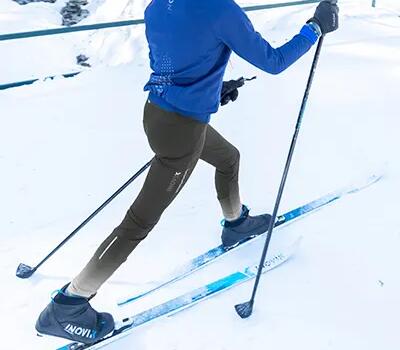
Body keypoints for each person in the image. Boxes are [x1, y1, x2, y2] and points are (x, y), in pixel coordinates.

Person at [35, 0, 339, 344]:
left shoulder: (159, 6)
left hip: (158, 113)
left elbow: (172, 61)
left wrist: (209, 90)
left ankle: (236, 224)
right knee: (137, 223)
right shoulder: (220, 10)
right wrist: (314, 29)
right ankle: (69, 304)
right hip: (183, 131)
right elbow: (273, 62)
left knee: (228, 158)